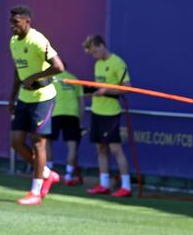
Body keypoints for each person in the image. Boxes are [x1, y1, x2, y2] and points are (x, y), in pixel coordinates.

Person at [8, 5, 65, 205]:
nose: (12, 26)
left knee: (38, 142)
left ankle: (35, 191)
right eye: (10, 22)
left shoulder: (38, 40)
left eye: (15, 22)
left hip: (43, 97)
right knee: (16, 141)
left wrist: (35, 77)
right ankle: (47, 173)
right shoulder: (14, 42)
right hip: (24, 98)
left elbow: (59, 67)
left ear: (27, 22)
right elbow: (18, 71)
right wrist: (12, 97)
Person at [82, 34, 132, 197]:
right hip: (97, 111)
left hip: (111, 113)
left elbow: (127, 88)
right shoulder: (97, 64)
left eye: (95, 52)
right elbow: (99, 87)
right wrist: (93, 92)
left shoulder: (118, 62)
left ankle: (126, 187)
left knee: (115, 149)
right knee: (100, 149)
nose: (94, 56)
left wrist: (106, 91)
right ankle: (103, 184)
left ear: (102, 45)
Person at [45, 68, 85, 186]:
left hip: (56, 113)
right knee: (72, 146)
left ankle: (49, 173)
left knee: (47, 142)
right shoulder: (74, 78)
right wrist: (80, 120)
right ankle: (68, 175)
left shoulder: (51, 78)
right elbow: (81, 103)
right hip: (73, 115)